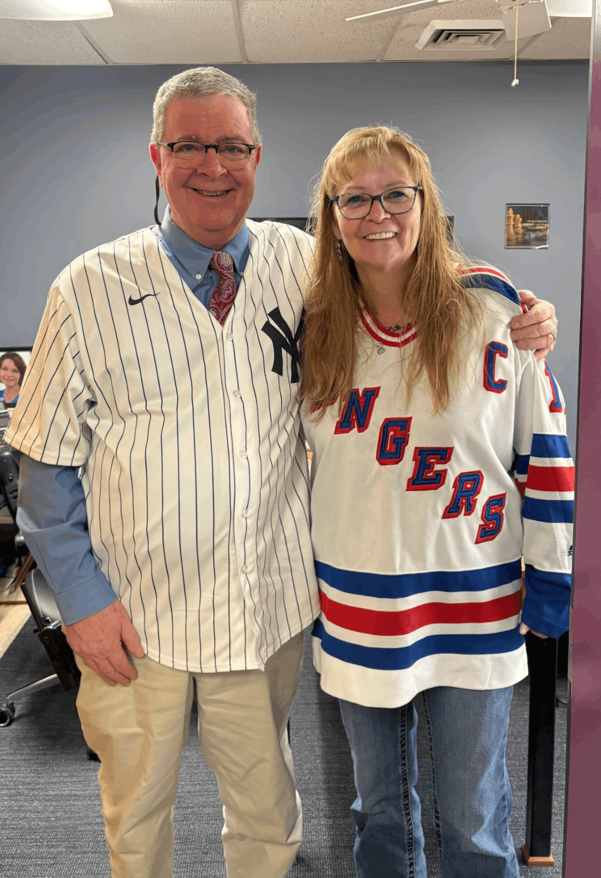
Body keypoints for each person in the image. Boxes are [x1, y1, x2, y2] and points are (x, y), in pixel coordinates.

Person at [5, 67, 558, 878]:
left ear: (256, 157)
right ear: (156, 156)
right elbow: (44, 464)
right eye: (189, 145)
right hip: (132, 616)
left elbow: (407, 284)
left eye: (230, 145)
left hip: (264, 614)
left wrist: (520, 310)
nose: (211, 165)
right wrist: (80, 604)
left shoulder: (303, 267)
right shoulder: (86, 286)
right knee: (138, 819)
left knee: (269, 823)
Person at [300, 125, 573, 878]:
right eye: (352, 198)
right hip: (356, 605)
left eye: (394, 193)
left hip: (472, 601)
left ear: (423, 203)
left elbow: (542, 448)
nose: (375, 213)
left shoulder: (496, 314)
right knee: (378, 810)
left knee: (474, 815)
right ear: (329, 214)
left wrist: (551, 574)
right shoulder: (309, 327)